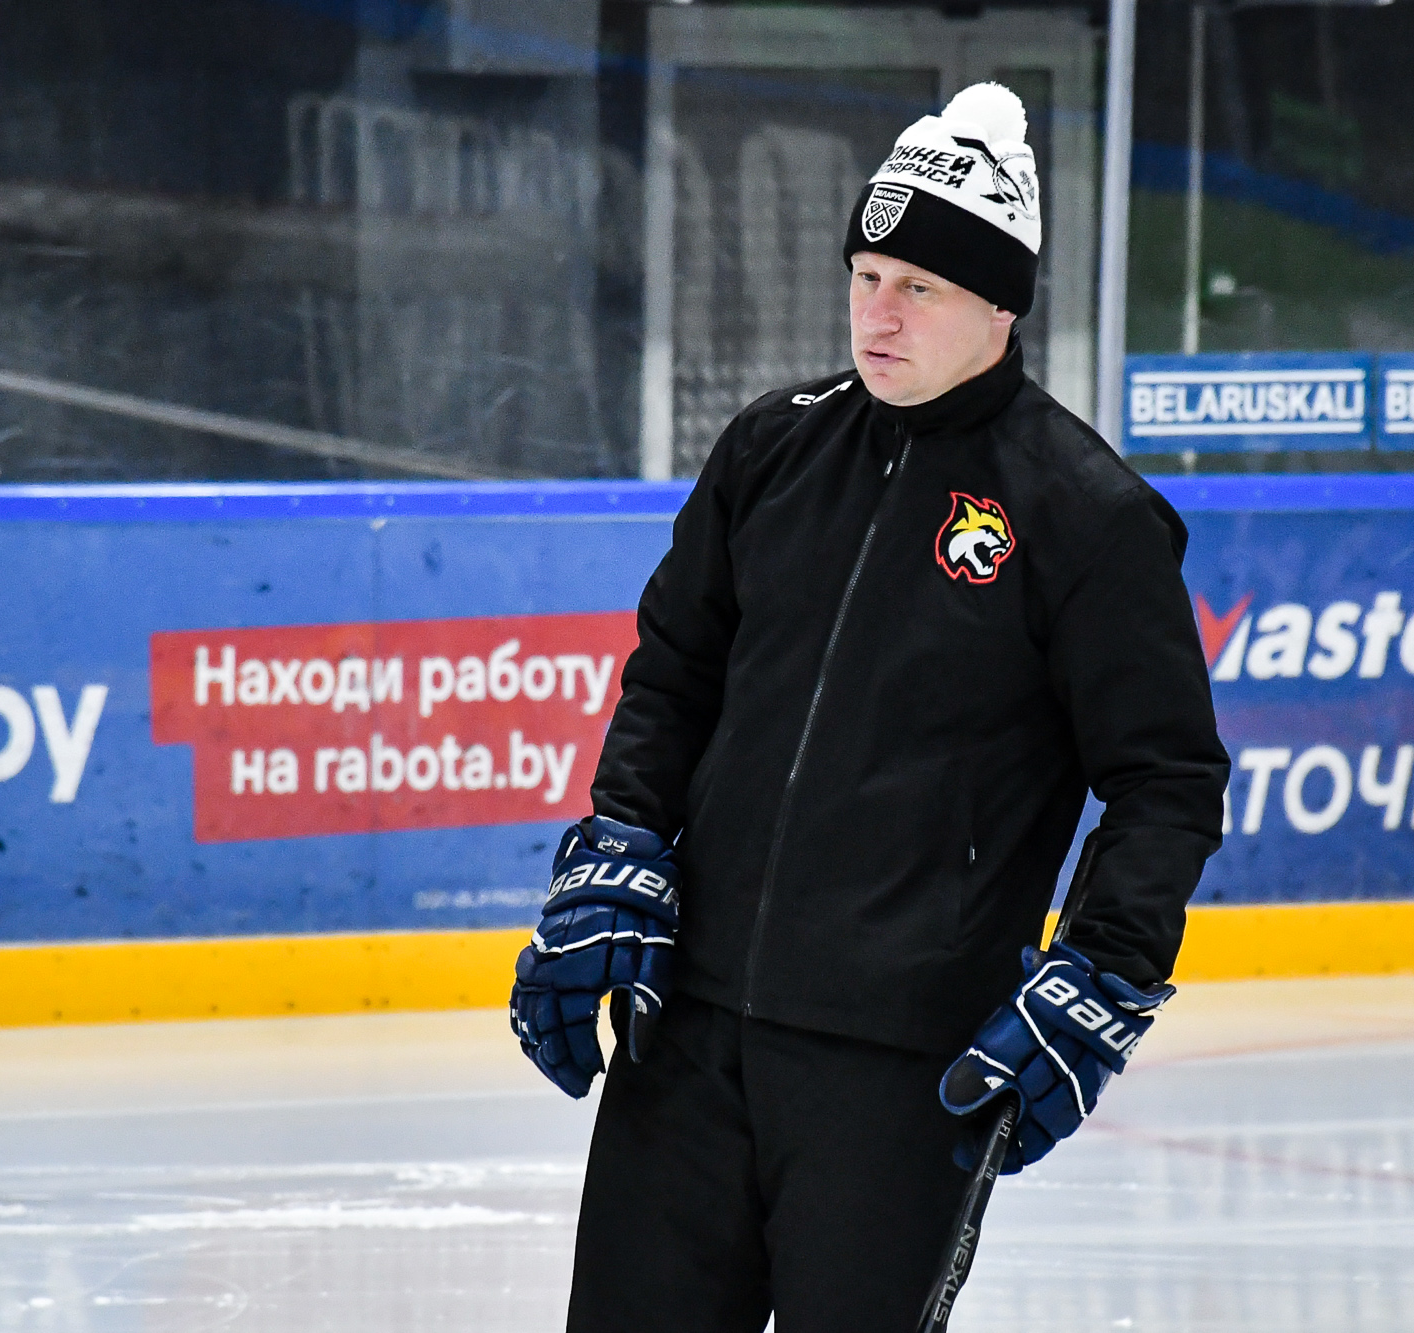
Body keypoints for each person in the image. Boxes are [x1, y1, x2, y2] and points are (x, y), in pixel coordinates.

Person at [511, 83, 1229, 1333]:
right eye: (865, 275)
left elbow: (1165, 780)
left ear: (999, 305)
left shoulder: (1086, 515)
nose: (876, 312)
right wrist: (622, 831)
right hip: (688, 1032)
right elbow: (674, 670)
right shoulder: (770, 450)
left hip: (900, 1071)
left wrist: (1104, 968)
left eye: (918, 288)